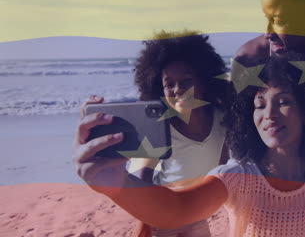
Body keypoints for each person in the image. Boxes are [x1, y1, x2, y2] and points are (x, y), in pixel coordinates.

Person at [74, 58, 305, 236]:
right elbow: (175, 209)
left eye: (283, 101)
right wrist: (115, 183)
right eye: (258, 103)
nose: (268, 114)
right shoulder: (238, 177)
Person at [75, 31, 230, 237]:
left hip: (196, 211)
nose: (177, 90)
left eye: (186, 81)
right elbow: (143, 175)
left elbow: (224, 166)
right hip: (162, 212)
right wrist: (144, 222)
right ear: (158, 87)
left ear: (203, 80)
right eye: (169, 84)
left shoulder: (222, 119)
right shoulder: (162, 126)